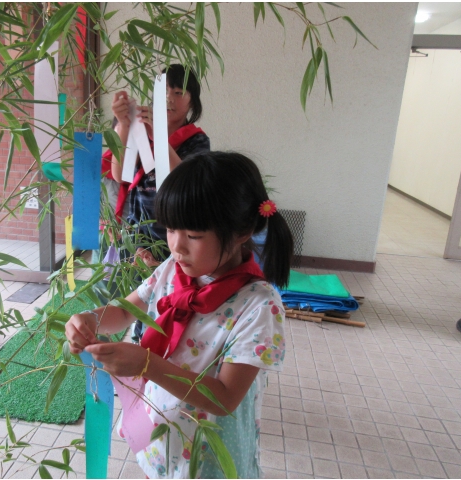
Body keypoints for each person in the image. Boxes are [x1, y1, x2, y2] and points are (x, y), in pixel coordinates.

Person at [65, 152, 294, 478]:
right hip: (159, 433)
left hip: (206, 457)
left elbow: (225, 398)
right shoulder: (172, 269)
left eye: (195, 236)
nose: (177, 246)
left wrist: (147, 364)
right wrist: (90, 317)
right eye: (171, 229)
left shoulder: (259, 306)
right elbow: (124, 311)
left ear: (242, 232)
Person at [107, 64, 211, 266]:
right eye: (163, 92)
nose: (169, 98)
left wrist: (159, 136)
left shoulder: (197, 141)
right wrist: (124, 125)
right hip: (139, 237)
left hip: (176, 237)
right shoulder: (141, 131)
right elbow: (120, 175)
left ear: (192, 103)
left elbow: (184, 182)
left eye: (178, 92)